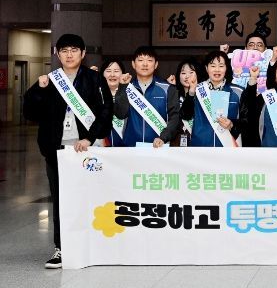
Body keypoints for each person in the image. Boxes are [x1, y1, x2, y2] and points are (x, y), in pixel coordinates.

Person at [23, 33, 113, 268]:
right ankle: (61, 248)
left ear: (83, 54)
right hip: (57, 152)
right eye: (64, 50)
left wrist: (89, 138)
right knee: (60, 200)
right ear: (57, 54)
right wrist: (39, 90)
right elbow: (30, 113)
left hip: (87, 150)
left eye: (74, 50)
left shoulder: (94, 79)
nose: (69, 54)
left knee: (90, 197)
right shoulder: (50, 80)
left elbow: (106, 112)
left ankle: (94, 245)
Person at [114, 46, 181, 147]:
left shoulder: (167, 88)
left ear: (156, 64)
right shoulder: (127, 88)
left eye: (149, 60)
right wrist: (122, 87)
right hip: (131, 148)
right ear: (133, 64)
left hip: (158, 147)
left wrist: (163, 137)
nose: (145, 64)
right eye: (140, 60)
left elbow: (175, 117)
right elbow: (120, 114)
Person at [181, 50, 244, 147]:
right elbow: (185, 116)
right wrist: (191, 92)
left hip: (228, 148)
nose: (217, 70)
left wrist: (232, 124)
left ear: (226, 68)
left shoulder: (238, 91)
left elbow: (247, 121)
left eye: (221, 66)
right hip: (200, 147)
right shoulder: (197, 90)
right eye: (213, 66)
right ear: (206, 68)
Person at [170, 58, 205, 146]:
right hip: (177, 144)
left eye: (191, 72)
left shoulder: (205, 97)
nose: (187, 76)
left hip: (200, 144)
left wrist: (192, 91)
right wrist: (170, 88)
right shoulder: (174, 96)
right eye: (183, 73)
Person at [100, 59, 127, 147]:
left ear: (123, 74)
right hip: (101, 147)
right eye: (108, 71)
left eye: (116, 71)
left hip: (128, 147)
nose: (112, 75)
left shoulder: (132, 94)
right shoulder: (94, 95)